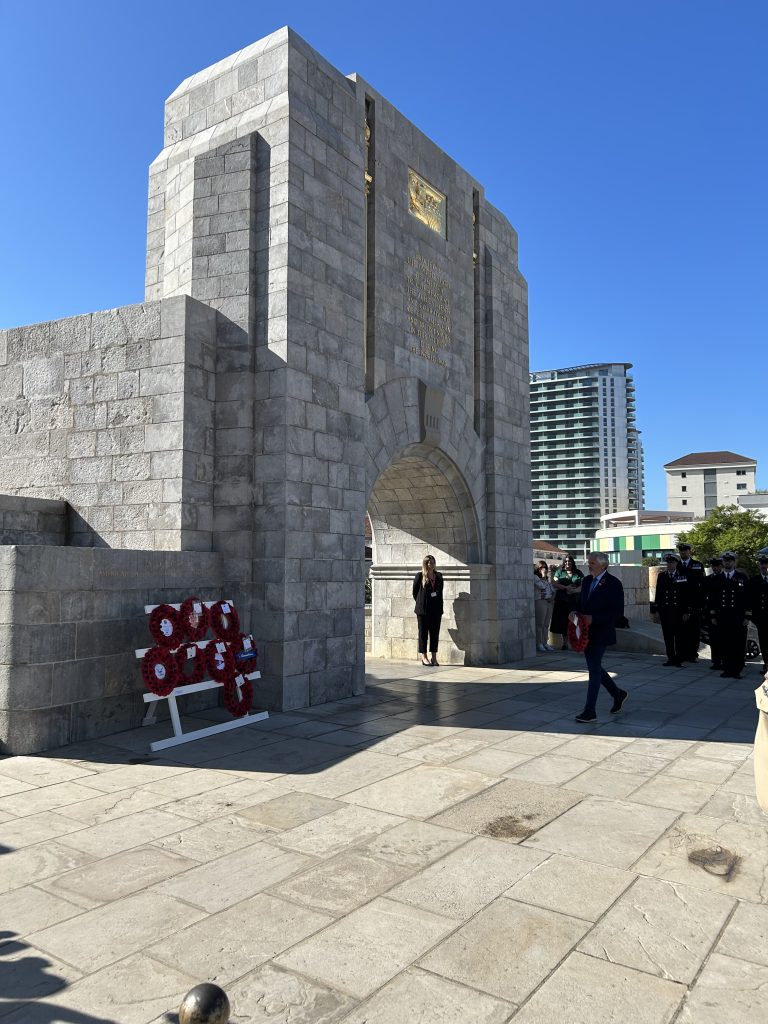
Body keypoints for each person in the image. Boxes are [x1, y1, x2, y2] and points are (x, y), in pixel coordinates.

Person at [574, 551, 628, 723]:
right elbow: (582, 602)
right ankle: (618, 694)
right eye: (588, 562)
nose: (588, 565)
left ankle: (590, 711)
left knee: (594, 669)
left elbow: (617, 613)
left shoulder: (613, 584)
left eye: (592, 562)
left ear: (603, 565)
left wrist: (594, 618)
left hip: (602, 632)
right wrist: (574, 612)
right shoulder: (587, 580)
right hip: (586, 632)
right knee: (595, 667)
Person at [708, 550, 749, 679]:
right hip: (722, 616)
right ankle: (727, 669)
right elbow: (713, 599)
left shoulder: (742, 577)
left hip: (737, 617)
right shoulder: (717, 579)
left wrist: (747, 616)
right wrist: (713, 615)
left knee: (738, 644)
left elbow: (748, 598)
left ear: (734, 562)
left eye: (730, 560)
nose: (727, 563)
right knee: (724, 644)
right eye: (725, 561)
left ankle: (736, 670)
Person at [650, 552, 697, 667]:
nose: (670, 565)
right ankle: (670, 658)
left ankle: (679, 659)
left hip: (679, 611)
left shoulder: (683, 576)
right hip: (666, 611)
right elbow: (659, 593)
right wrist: (656, 609)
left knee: (679, 637)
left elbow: (688, 595)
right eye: (668, 563)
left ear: (676, 563)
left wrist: (687, 611)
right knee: (668, 637)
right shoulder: (662, 576)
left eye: (672, 562)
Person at [676, 542, 705, 661]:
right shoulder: (676, 565)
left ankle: (693, 654)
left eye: (685, 550)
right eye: (681, 551)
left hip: (695, 603)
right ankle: (681, 654)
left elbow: (702, 585)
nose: (683, 552)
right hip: (679, 603)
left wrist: (701, 603)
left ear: (689, 551)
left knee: (693, 631)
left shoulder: (697, 565)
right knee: (681, 631)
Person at [413, 554, 444, 666]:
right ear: (425, 564)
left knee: (435, 634)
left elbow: (440, 591)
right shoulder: (420, 576)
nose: (432, 564)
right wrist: (422, 602)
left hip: (436, 610)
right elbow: (415, 593)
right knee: (423, 634)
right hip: (423, 610)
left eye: (433, 562)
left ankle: (434, 657)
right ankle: (424, 657)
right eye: (429, 562)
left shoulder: (439, 576)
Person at [550, 554, 584, 650]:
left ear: (572, 562)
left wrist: (574, 590)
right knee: (563, 622)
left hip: (575, 601)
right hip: (562, 601)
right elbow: (554, 583)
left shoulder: (578, 573)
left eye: (569, 561)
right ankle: (565, 644)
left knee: (575, 621)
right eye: (565, 561)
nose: (567, 563)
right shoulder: (559, 572)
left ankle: (575, 642)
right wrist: (565, 587)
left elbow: (583, 584)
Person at [748, 553, 768, 674]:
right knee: (764, 642)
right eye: (762, 564)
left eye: (766, 564)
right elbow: (749, 599)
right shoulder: (754, 580)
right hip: (760, 617)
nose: (764, 566)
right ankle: (766, 665)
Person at [703, 557, 725, 670]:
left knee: (724, 639)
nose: (715, 568)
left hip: (724, 613)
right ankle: (716, 661)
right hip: (711, 613)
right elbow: (704, 596)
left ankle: (724, 661)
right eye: (713, 566)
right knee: (714, 638)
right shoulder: (707, 580)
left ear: (721, 566)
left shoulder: (725, 578)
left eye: (717, 566)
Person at [533, 561, 556, 652]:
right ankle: (539, 643)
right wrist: (543, 576)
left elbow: (552, 590)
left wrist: (552, 598)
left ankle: (545, 643)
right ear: (538, 569)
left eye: (545, 568)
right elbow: (541, 586)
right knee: (540, 624)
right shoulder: (535, 577)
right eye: (541, 568)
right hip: (540, 601)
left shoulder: (547, 579)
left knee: (546, 624)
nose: (544, 570)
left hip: (549, 602)